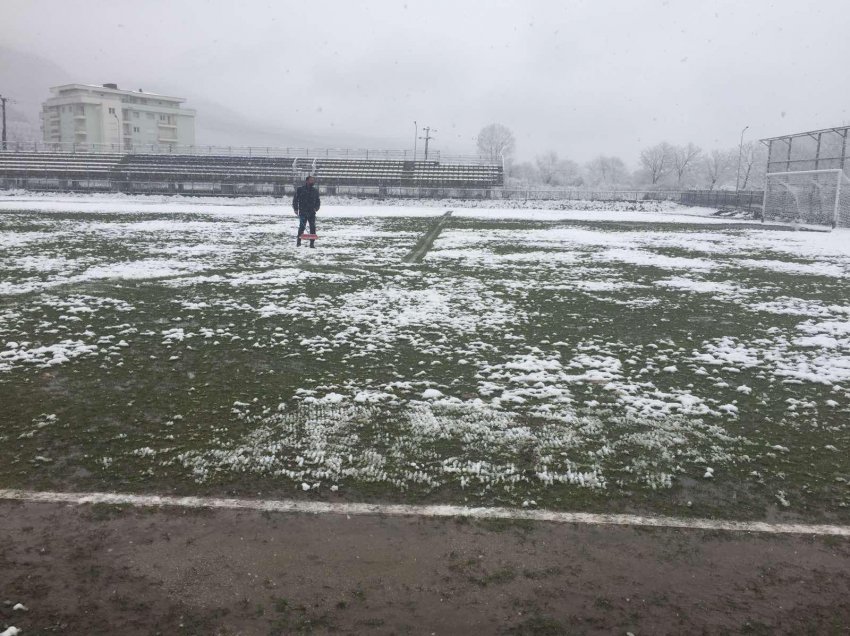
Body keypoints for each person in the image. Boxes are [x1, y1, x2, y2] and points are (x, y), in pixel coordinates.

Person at [292, 175, 320, 248]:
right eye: (311, 180)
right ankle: (299, 242)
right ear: (307, 181)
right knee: (302, 227)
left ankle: (312, 243)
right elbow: (295, 200)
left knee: (312, 227)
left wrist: (316, 208)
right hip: (303, 211)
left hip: (312, 212)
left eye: (313, 180)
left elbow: (318, 201)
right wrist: (295, 209)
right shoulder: (300, 189)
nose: (312, 182)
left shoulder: (315, 191)